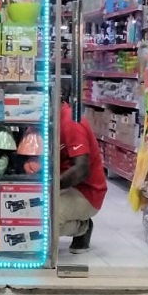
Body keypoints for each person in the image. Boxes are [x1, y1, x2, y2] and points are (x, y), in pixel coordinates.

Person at [58, 102, 108, 253]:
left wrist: (50, 187)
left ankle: (83, 227)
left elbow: (81, 170)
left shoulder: (71, 122)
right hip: (65, 187)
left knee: (44, 218)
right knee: (31, 210)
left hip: (86, 192)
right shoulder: (49, 119)